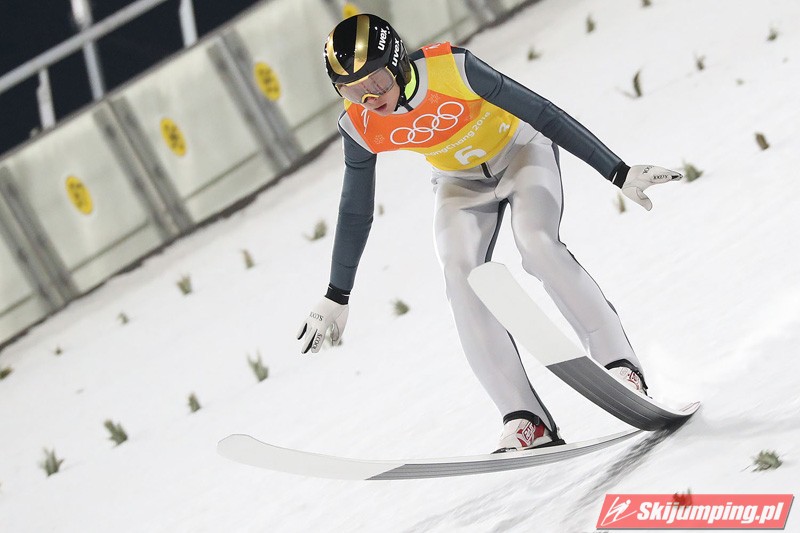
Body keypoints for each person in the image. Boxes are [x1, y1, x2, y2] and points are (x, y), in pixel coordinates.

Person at [296, 14, 682, 453]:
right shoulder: (359, 124)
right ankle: (523, 417)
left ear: (398, 63)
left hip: (521, 152)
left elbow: (542, 112)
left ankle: (619, 366)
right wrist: (337, 293)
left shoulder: (452, 68)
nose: (370, 98)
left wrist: (617, 170)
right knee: (459, 276)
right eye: (352, 91)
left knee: (536, 244)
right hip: (458, 182)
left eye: (377, 81)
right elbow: (355, 209)